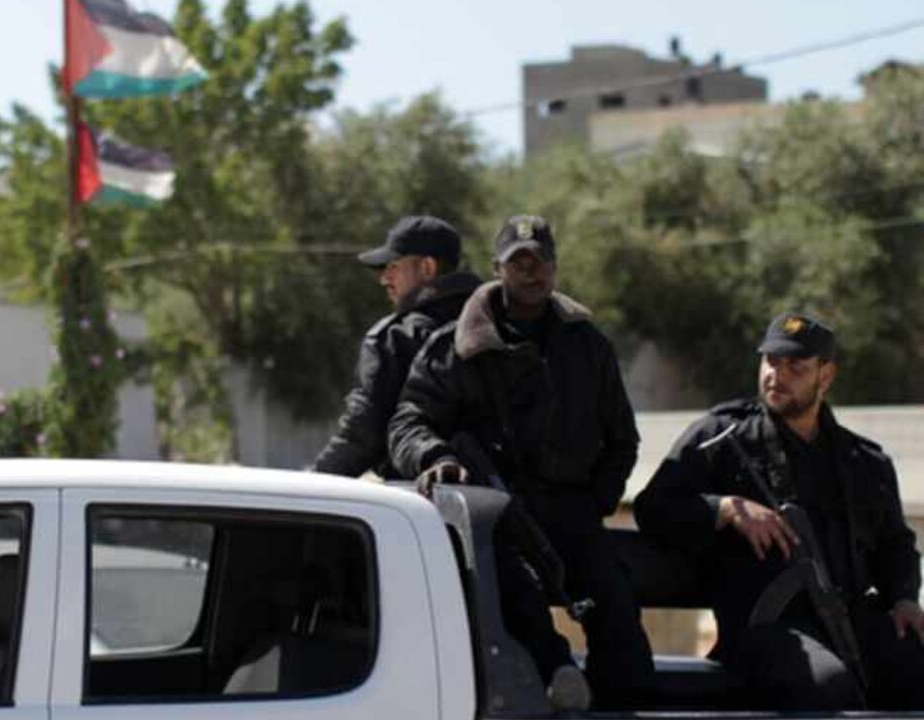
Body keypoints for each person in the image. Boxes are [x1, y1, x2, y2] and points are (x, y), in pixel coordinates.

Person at [388, 214, 653, 709]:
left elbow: (622, 439)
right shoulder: (455, 347)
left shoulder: (587, 345)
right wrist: (436, 457)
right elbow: (408, 423)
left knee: (620, 627)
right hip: (493, 519)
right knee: (516, 604)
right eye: (519, 263)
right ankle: (556, 673)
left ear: (554, 268)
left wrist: (594, 502)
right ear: (498, 269)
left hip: (571, 512)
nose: (532, 273)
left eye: (541, 262)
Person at [634, 313, 924, 711]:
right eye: (771, 362)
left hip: (850, 617)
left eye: (795, 366)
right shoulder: (722, 437)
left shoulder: (864, 461)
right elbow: (653, 508)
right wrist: (725, 509)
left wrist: (905, 597)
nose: (776, 375)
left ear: (826, 376)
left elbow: (896, 542)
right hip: (764, 628)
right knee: (830, 688)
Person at [312, 215, 481, 478]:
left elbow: (361, 438)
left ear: (427, 268)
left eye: (393, 266)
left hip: (419, 504)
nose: (384, 279)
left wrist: (312, 489)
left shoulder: (396, 337)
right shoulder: (493, 326)